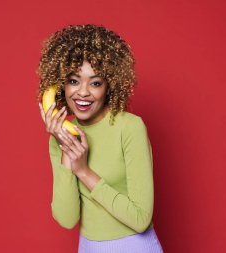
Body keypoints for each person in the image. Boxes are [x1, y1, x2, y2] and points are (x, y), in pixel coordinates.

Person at [37, 24, 164, 253]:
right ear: (60, 84)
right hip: (87, 247)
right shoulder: (61, 135)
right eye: (74, 81)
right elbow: (67, 219)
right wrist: (67, 150)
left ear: (109, 86)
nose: (83, 92)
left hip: (134, 246)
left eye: (95, 83)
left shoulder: (130, 127)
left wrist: (84, 171)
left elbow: (140, 218)